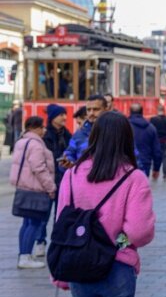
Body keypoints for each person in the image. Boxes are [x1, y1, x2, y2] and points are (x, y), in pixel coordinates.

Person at [54, 111, 155, 297]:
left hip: (78, 270)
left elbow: (62, 225)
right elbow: (140, 231)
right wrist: (120, 241)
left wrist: (60, 275)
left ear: (94, 136)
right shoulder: (133, 177)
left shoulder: (72, 174)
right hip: (116, 270)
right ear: (126, 139)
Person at [9, 116, 56, 269]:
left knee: (26, 223)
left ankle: (23, 255)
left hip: (24, 187)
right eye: (42, 127)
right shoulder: (36, 145)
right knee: (34, 223)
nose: (44, 130)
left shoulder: (21, 141)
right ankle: (25, 257)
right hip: (35, 189)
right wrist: (51, 187)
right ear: (35, 128)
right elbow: (39, 168)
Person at [37, 104, 72, 258]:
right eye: (61, 115)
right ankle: (40, 241)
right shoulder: (45, 136)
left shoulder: (67, 134)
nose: (64, 117)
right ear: (52, 118)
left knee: (60, 214)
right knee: (43, 215)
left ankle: (56, 242)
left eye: (64, 114)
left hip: (63, 181)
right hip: (48, 181)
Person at [62, 95, 107, 167]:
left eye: (96, 109)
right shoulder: (78, 134)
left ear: (106, 110)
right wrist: (68, 161)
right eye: (88, 110)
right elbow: (69, 153)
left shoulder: (116, 131)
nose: (91, 113)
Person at [128, 104, 162, 178]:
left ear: (130, 112)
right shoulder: (151, 128)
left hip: (127, 164)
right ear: (142, 112)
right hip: (145, 164)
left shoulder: (124, 126)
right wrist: (156, 168)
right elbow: (157, 150)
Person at [150, 105, 166, 181]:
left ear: (157, 110)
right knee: (164, 158)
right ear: (163, 110)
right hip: (165, 140)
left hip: (156, 141)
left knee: (155, 157)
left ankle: (155, 173)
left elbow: (151, 130)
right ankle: (165, 175)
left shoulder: (153, 119)